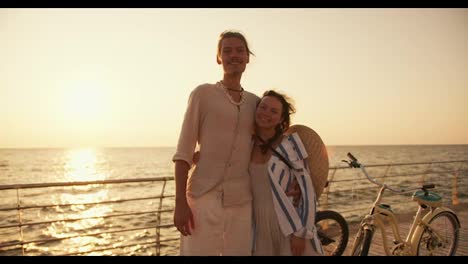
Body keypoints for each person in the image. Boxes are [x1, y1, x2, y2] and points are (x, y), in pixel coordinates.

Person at [172, 30, 260, 256]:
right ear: (218, 57)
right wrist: (180, 202)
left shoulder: (256, 103)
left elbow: (267, 149)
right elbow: (183, 152)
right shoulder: (203, 94)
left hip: (242, 200)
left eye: (240, 50)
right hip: (203, 197)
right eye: (227, 50)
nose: (234, 55)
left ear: (248, 57)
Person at [249, 90, 324, 256]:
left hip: (289, 224)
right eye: (263, 107)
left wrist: (301, 234)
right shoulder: (247, 144)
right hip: (258, 227)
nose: (266, 113)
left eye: (274, 111)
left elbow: (307, 191)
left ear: (282, 118)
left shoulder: (289, 144)